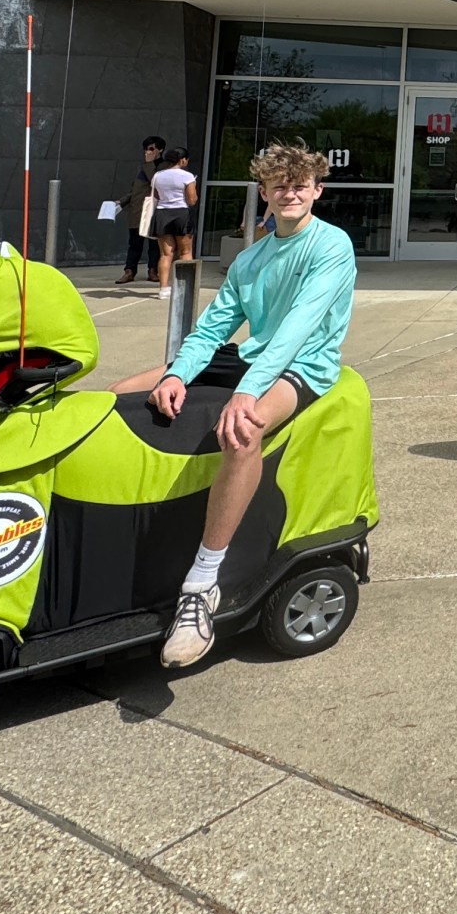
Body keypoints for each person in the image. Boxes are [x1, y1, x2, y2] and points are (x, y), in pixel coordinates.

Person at [109, 141, 356, 668]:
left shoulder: (332, 246)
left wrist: (249, 392)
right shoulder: (251, 258)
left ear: (316, 190)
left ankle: (201, 585)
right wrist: (177, 373)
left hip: (301, 365)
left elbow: (297, 330)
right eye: (279, 185)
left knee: (242, 431)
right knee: (120, 393)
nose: (290, 193)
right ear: (264, 193)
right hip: (252, 356)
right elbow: (214, 328)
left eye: (300, 184)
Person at [149, 148, 198, 298]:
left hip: (162, 213)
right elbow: (191, 200)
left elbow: (156, 195)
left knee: (165, 254)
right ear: (182, 160)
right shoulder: (187, 176)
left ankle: (163, 289)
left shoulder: (157, 175)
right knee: (185, 252)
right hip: (181, 213)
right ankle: (184, 288)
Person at [116, 136, 166, 284]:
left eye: (151, 149)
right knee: (134, 243)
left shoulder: (164, 166)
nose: (147, 152)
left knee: (154, 244)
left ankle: (153, 271)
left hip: (153, 210)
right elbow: (135, 190)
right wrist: (121, 201)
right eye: (146, 149)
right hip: (137, 211)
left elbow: (156, 182)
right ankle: (129, 271)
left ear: (160, 150)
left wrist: (150, 163)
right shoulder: (141, 167)